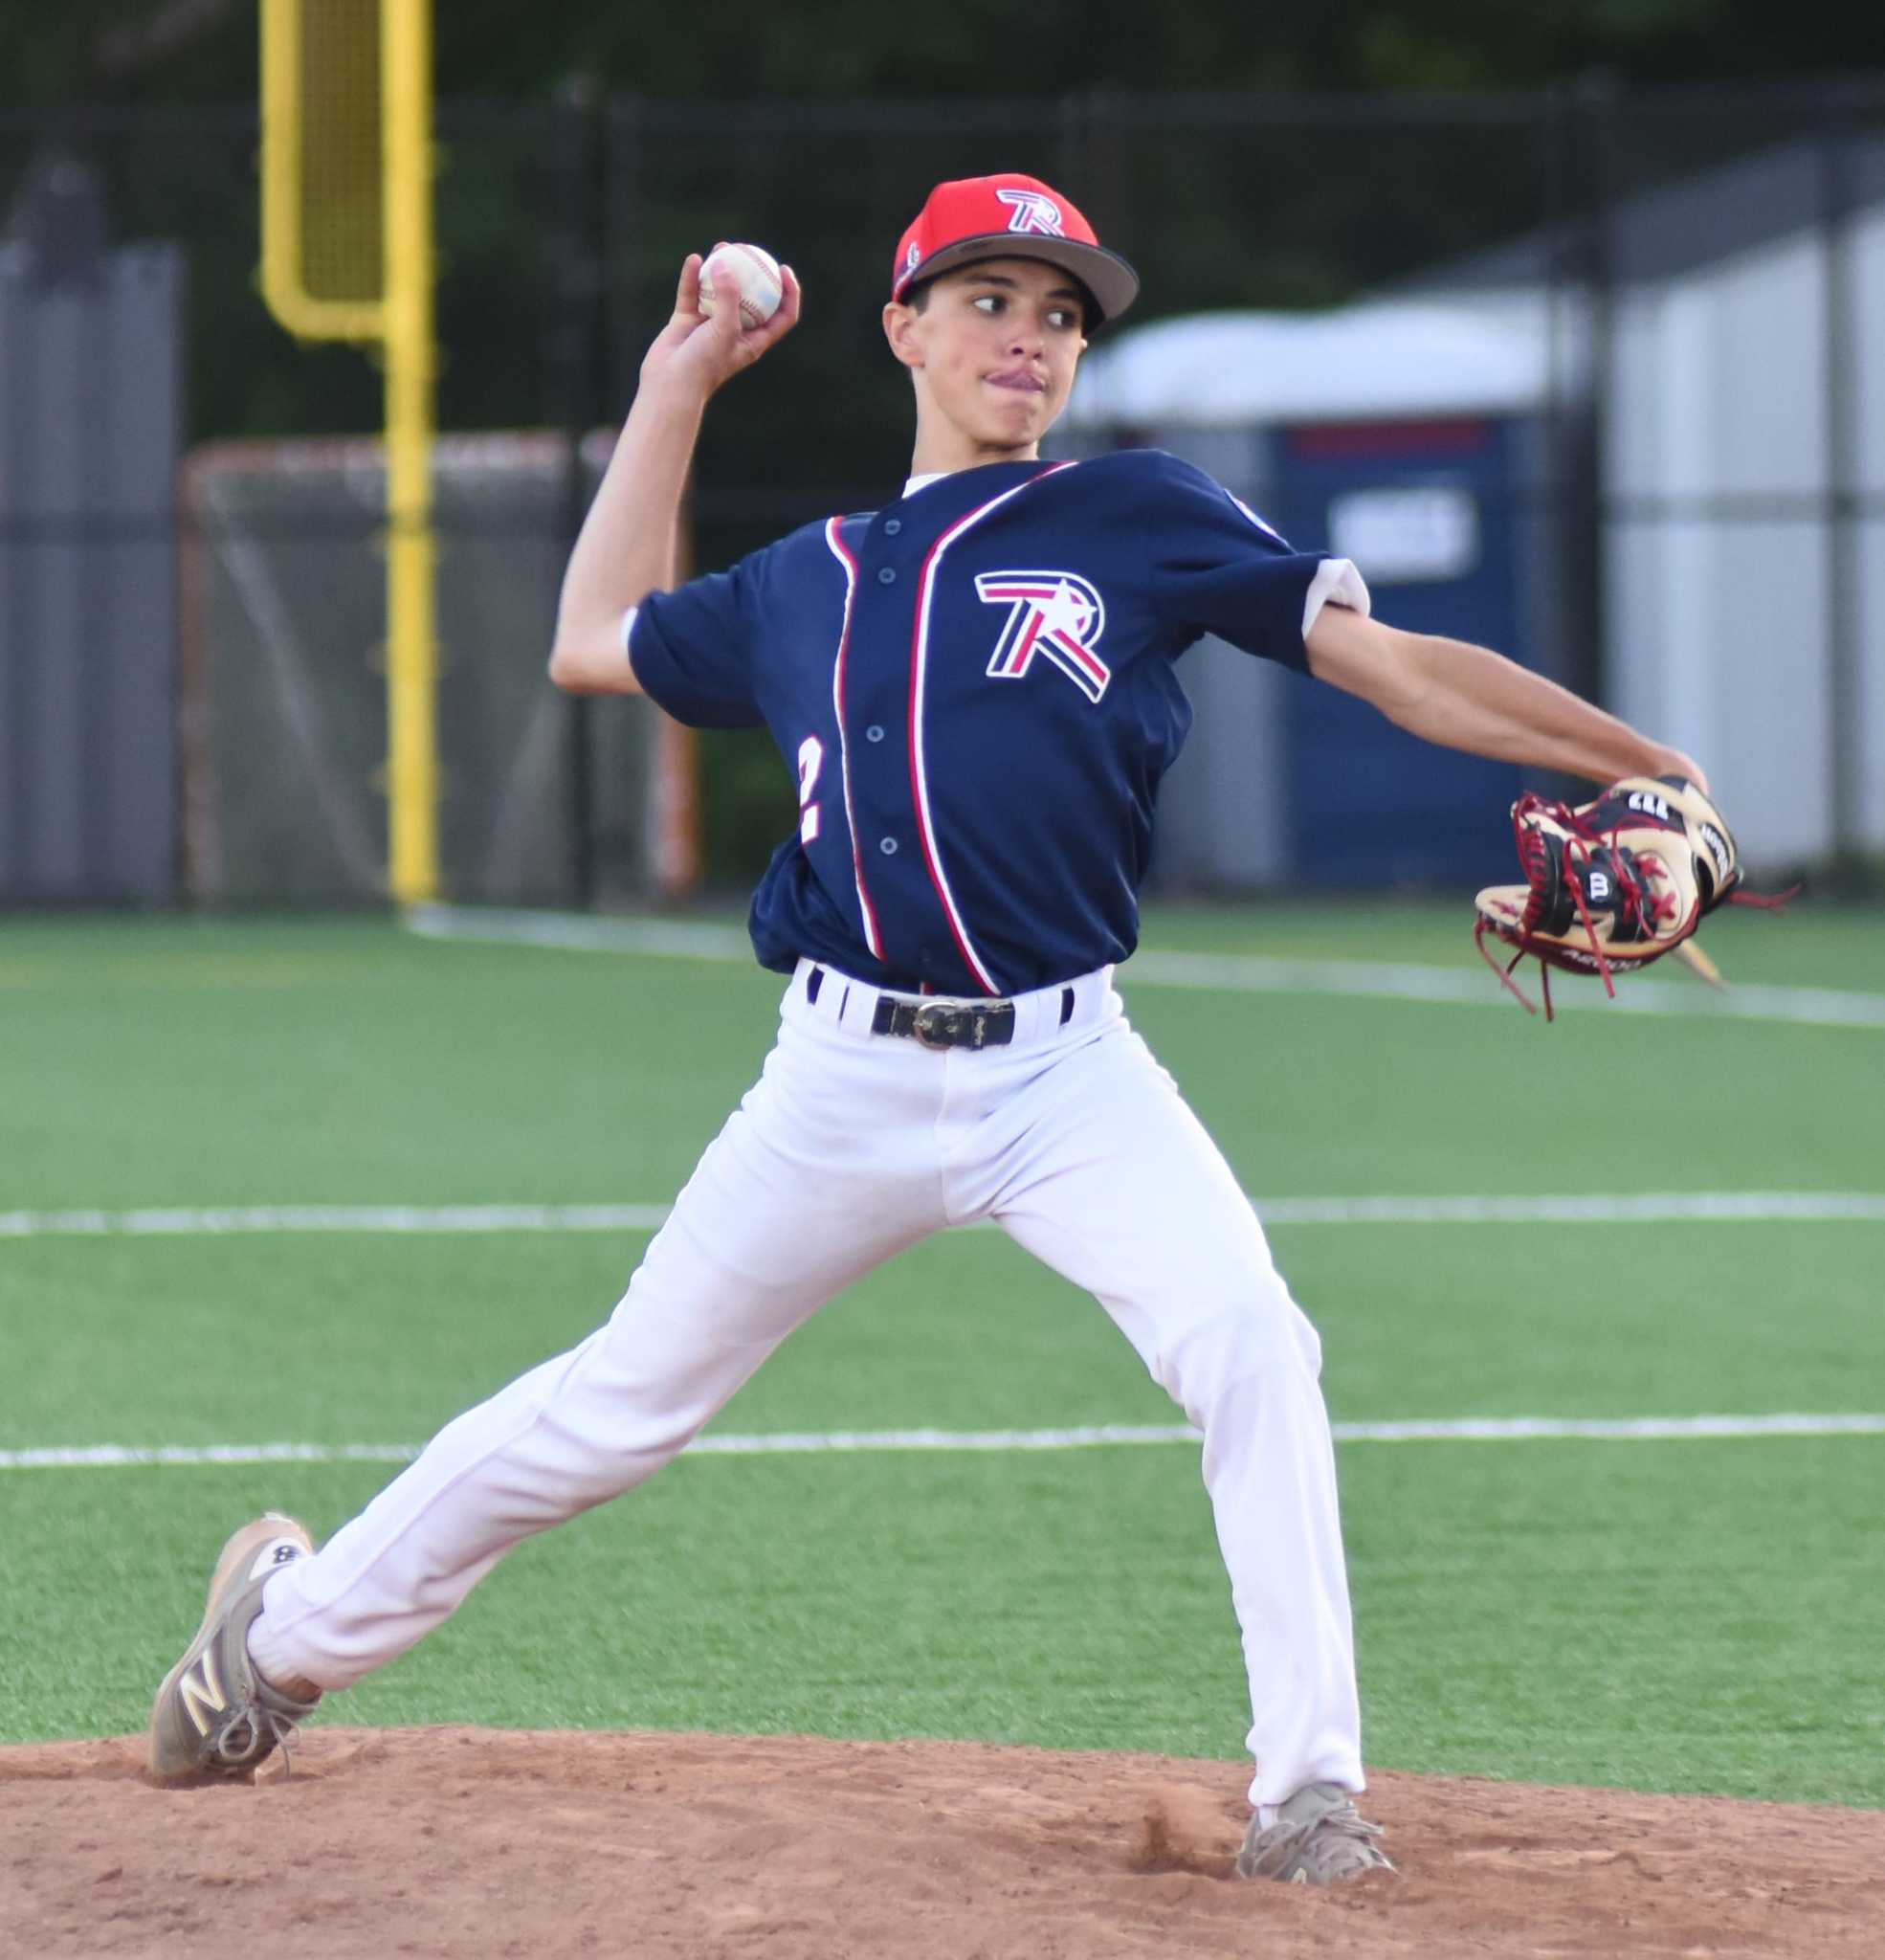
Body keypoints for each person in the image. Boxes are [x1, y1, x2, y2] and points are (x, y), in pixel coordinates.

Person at [149, 172, 1705, 1883]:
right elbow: (593, 641)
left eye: (1057, 315)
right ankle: (274, 1649)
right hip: (838, 1081)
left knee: (1250, 1346)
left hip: (1066, 1070)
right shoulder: (805, 578)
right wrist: (677, 382)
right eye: (987, 301)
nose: (1027, 339)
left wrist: (1632, 762)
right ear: (902, 326)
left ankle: (1306, 1793)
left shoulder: (1140, 516)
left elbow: (1396, 667)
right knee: (616, 1411)